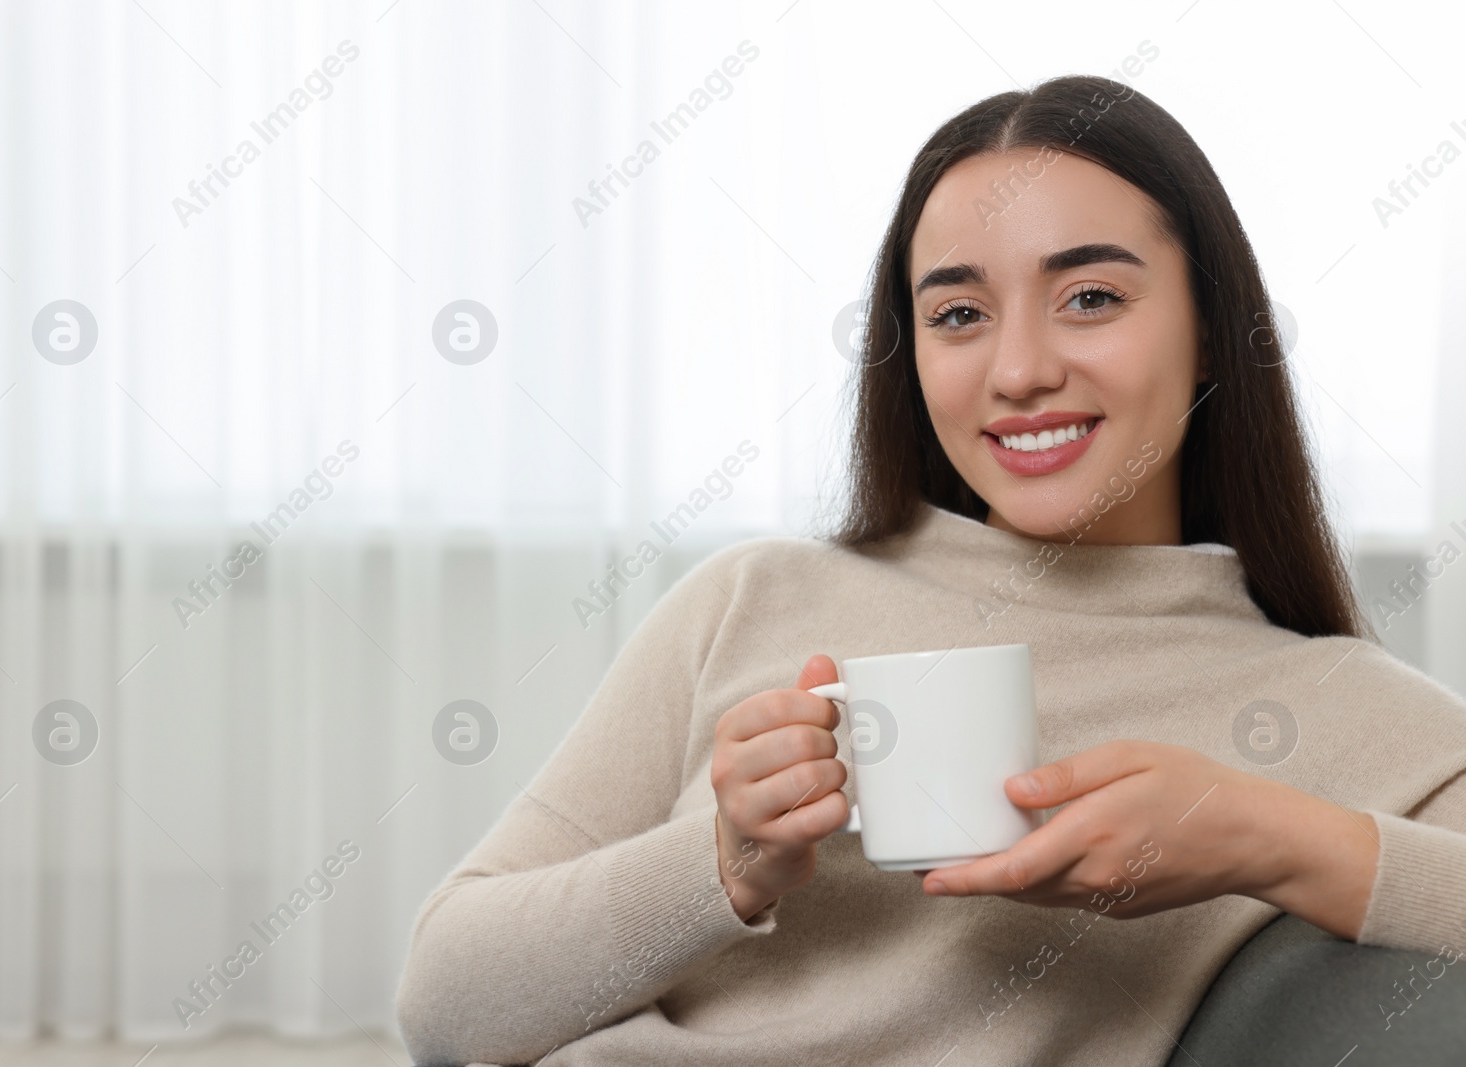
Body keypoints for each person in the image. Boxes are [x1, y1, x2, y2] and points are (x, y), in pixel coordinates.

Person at [395, 74, 1466, 1066]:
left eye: (1090, 296)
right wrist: (725, 861)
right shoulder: (751, 596)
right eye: (958, 313)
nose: (1019, 370)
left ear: (1212, 328)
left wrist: (1259, 835)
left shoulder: (1350, 712)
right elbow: (443, 998)